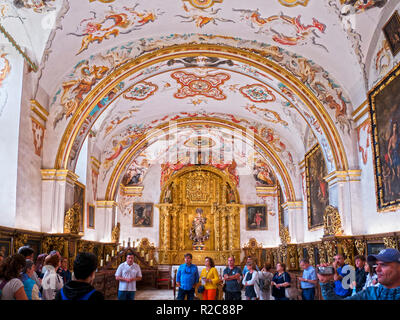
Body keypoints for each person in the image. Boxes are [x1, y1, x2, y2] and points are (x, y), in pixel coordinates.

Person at [317, 248, 400, 300]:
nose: (377, 269)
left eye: (384, 265)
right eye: (376, 265)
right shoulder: (371, 293)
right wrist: (324, 283)